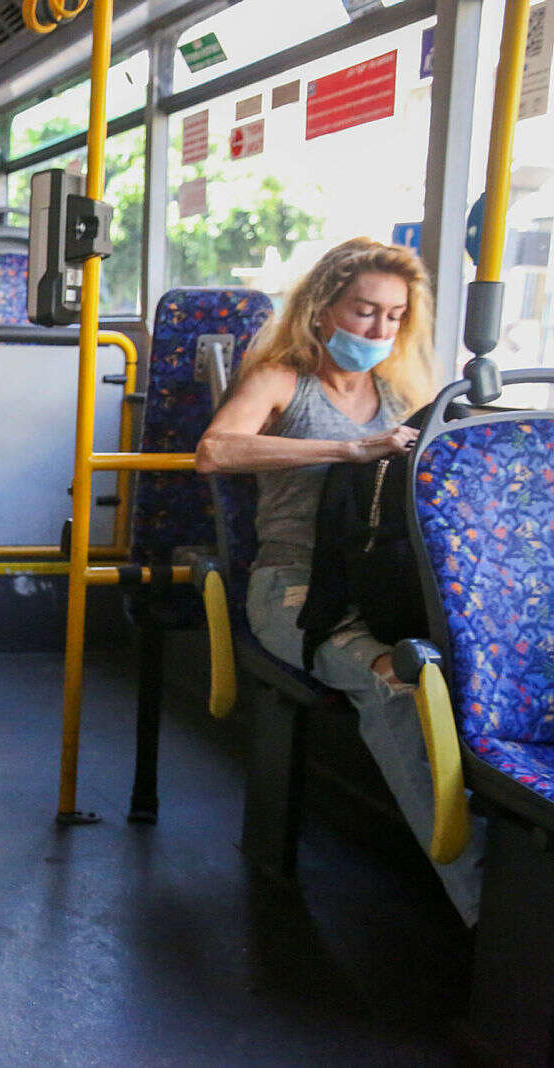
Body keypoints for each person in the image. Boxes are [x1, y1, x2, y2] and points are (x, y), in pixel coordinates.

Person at [196, 236, 483, 925]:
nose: (379, 329)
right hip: (294, 588)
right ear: (323, 307)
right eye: (364, 311)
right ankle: (485, 909)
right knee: (395, 682)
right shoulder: (281, 379)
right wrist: (351, 448)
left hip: (383, 586)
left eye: (394, 316)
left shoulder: (401, 395)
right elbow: (215, 451)